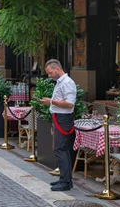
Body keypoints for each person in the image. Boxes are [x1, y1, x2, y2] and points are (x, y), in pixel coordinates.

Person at [40, 59, 76, 192]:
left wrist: (51, 102)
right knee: (61, 149)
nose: (49, 76)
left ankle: (66, 181)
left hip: (63, 119)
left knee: (60, 149)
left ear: (57, 69)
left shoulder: (67, 83)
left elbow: (69, 103)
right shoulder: (61, 82)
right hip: (59, 118)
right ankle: (64, 179)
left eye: (50, 73)